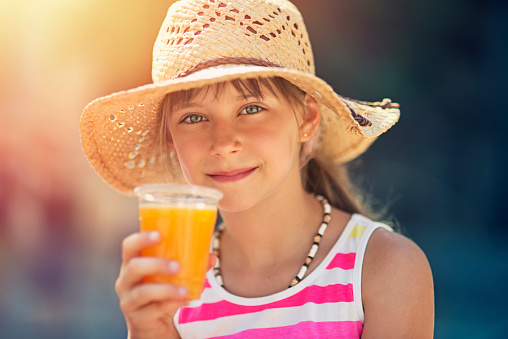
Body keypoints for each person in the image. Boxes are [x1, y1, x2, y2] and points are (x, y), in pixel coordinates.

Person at [80, 0, 434, 337]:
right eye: (194, 117)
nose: (222, 142)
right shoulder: (173, 292)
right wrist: (148, 332)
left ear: (306, 119)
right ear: (172, 140)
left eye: (251, 109)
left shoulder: (385, 270)